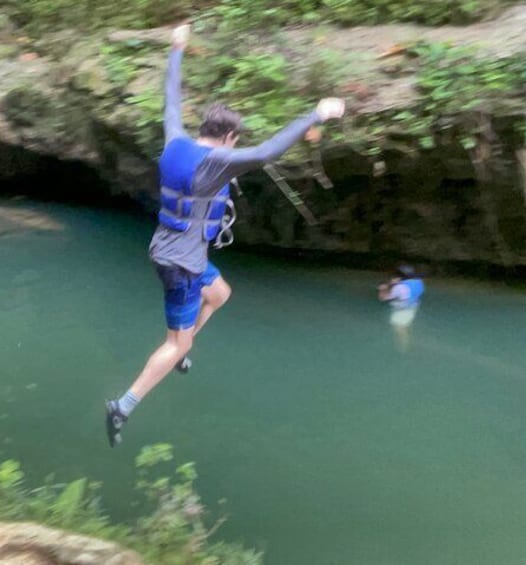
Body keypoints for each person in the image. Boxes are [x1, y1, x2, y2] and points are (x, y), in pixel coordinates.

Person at [105, 24, 346, 446]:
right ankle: (123, 405)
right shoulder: (217, 161)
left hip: (180, 253)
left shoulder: (175, 137)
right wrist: (317, 114)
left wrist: (177, 48)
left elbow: (171, 97)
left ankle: (184, 346)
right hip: (180, 264)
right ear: (230, 137)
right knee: (172, 343)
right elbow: (267, 152)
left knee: (219, 295)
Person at [378, 265, 424, 344]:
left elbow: (383, 298)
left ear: (399, 277)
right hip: (413, 306)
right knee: (405, 327)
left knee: (399, 330)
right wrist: (393, 284)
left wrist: (382, 289)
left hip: (402, 310)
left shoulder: (400, 287)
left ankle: (403, 349)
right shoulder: (419, 281)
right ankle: (408, 342)